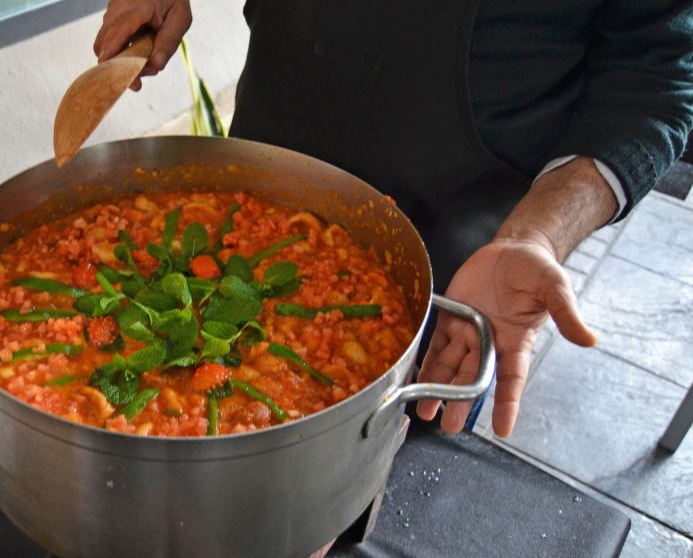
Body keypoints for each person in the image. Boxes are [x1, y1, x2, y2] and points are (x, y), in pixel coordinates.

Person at [92, 0, 693, 437]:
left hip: (455, 282)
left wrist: (538, 233)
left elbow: (657, 81)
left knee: (381, 458)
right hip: (250, 198)